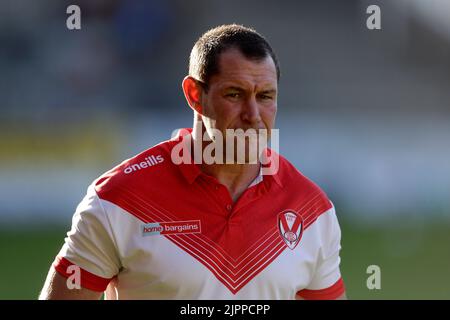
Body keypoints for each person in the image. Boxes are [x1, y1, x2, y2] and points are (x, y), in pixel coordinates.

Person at [39, 24, 346, 300]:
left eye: (265, 96)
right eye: (235, 94)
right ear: (194, 95)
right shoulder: (118, 201)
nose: (253, 115)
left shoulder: (313, 212)